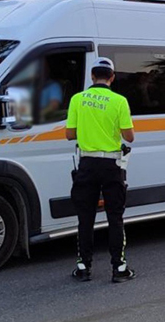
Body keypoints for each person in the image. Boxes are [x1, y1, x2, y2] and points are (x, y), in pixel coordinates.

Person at [65, 57, 136, 283]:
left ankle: (84, 267)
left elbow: (69, 134)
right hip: (111, 165)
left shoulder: (77, 99)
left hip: (86, 164)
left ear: (92, 77)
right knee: (115, 217)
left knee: (85, 218)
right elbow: (129, 137)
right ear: (112, 78)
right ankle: (119, 268)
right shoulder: (119, 101)